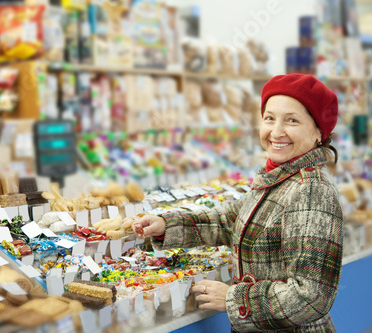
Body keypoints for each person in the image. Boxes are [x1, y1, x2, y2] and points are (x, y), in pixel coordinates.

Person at [133, 74, 343, 332]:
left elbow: (310, 297)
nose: (276, 132)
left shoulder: (311, 191)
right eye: (269, 118)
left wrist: (234, 299)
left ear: (318, 133)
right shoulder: (279, 176)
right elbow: (231, 219)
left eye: (292, 120)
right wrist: (167, 225)